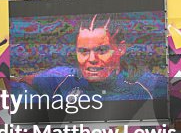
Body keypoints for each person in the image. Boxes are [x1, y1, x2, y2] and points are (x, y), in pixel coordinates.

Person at [16, 15, 166, 101]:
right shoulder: (60, 78)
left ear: (120, 48)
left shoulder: (150, 85)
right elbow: (18, 81)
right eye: (83, 51)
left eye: (101, 50)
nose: (92, 59)